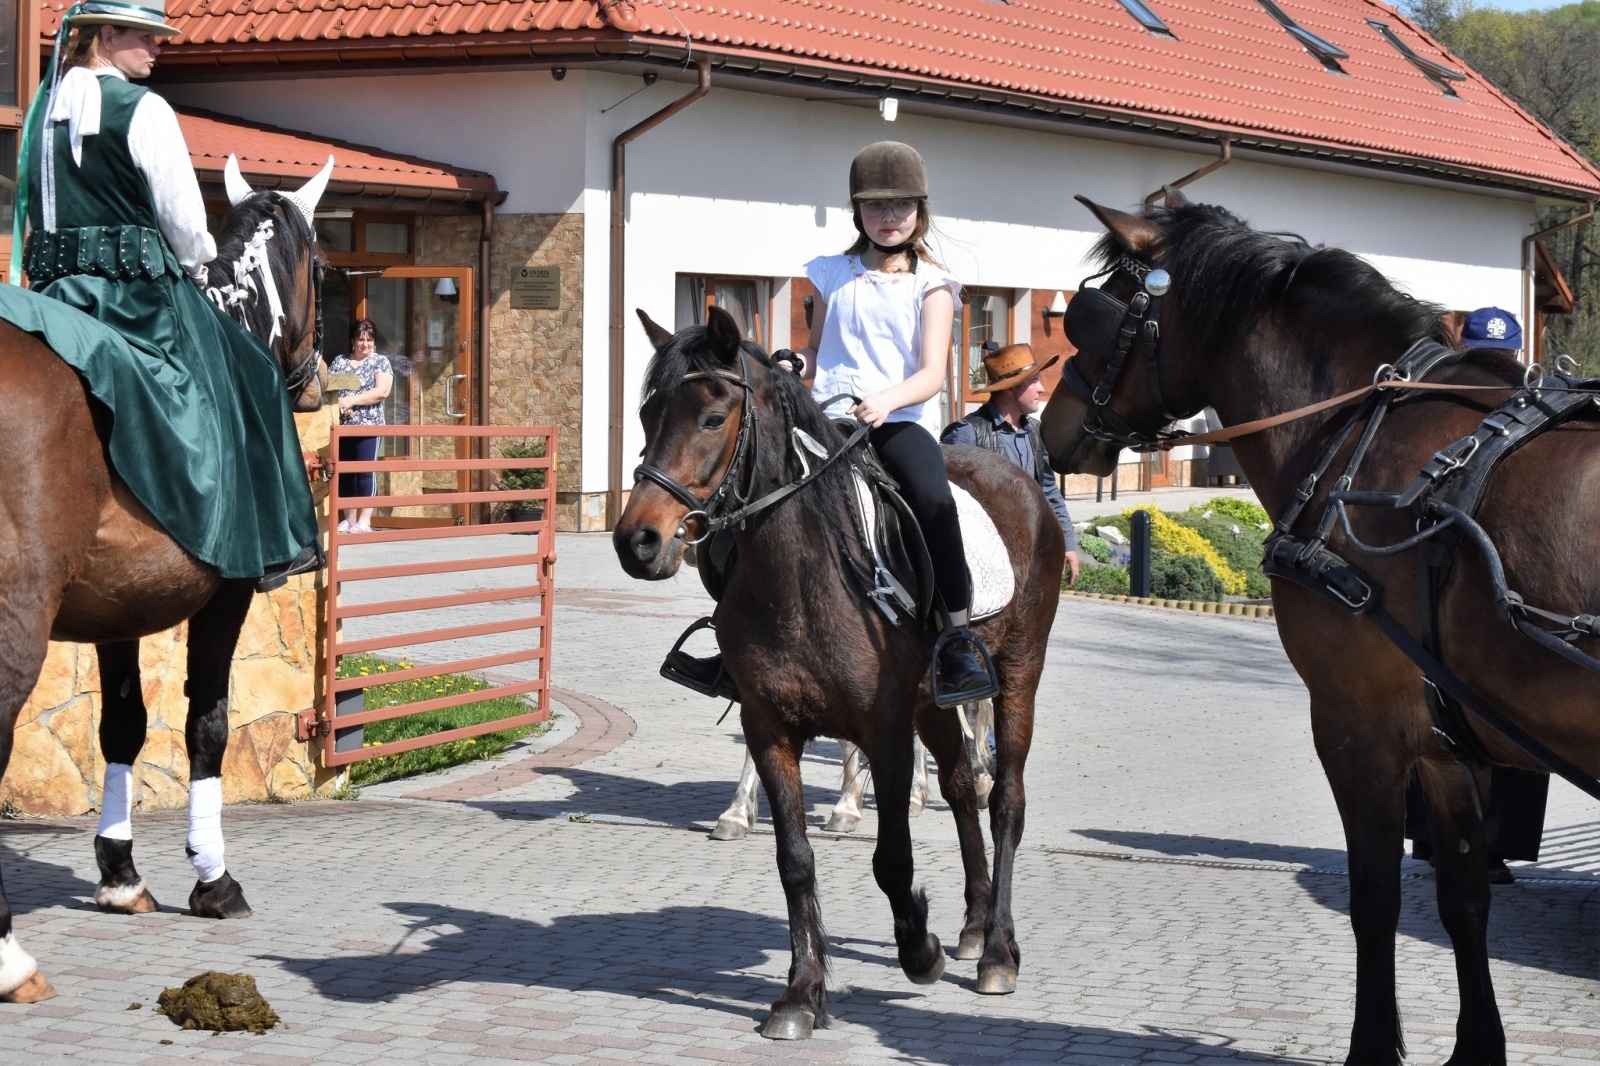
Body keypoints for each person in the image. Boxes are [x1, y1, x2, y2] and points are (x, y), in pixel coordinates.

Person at [4, 0, 321, 591]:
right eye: (146, 37)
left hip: (51, 295)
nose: (158, 49)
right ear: (106, 35)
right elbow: (186, 227)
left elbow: (33, 216)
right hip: (139, 300)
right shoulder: (145, 110)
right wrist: (200, 261)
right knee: (253, 368)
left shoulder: (40, 114)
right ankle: (278, 545)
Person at [785, 141, 997, 707]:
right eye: (875, 207)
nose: (887, 218)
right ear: (857, 212)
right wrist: (789, 362)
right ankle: (732, 635)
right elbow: (816, 351)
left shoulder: (932, 285)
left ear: (919, 212)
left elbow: (932, 375)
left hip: (896, 421)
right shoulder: (831, 273)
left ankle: (956, 637)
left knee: (934, 501)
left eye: (899, 206)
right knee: (761, 496)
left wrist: (883, 401)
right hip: (827, 421)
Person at [1404, 305, 1548, 884]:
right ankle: (1491, 850)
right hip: (1515, 579)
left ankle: (1436, 841)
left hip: (1439, 578)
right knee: (1517, 709)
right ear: (1517, 353)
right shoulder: (1538, 408)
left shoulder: (1430, 408)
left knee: (1432, 705)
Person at [941, 343, 1080, 585]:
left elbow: (1048, 491)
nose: (1042, 388)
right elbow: (950, 505)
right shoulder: (967, 434)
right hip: (984, 560)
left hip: (1029, 554)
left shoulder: (1035, 432)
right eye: (1034, 381)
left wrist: (1067, 544)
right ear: (1010, 389)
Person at [327, 319, 394, 533]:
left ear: (374, 342)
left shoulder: (380, 362)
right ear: (352, 341)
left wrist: (352, 400)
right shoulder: (339, 361)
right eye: (360, 339)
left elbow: (382, 391)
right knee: (345, 472)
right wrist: (340, 404)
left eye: (369, 339)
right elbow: (330, 388)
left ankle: (365, 520)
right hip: (342, 426)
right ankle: (348, 517)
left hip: (369, 426)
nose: (364, 344)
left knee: (365, 472)